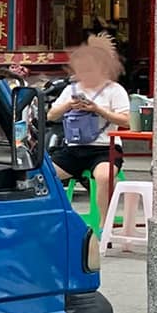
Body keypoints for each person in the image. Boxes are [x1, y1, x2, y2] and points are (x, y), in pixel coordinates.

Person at [47, 34, 131, 205]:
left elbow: (126, 121)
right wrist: (68, 105)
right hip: (73, 149)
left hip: (105, 148)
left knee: (103, 177)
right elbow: (51, 116)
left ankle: (102, 226)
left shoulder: (115, 90)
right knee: (44, 175)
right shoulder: (71, 89)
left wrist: (97, 109)